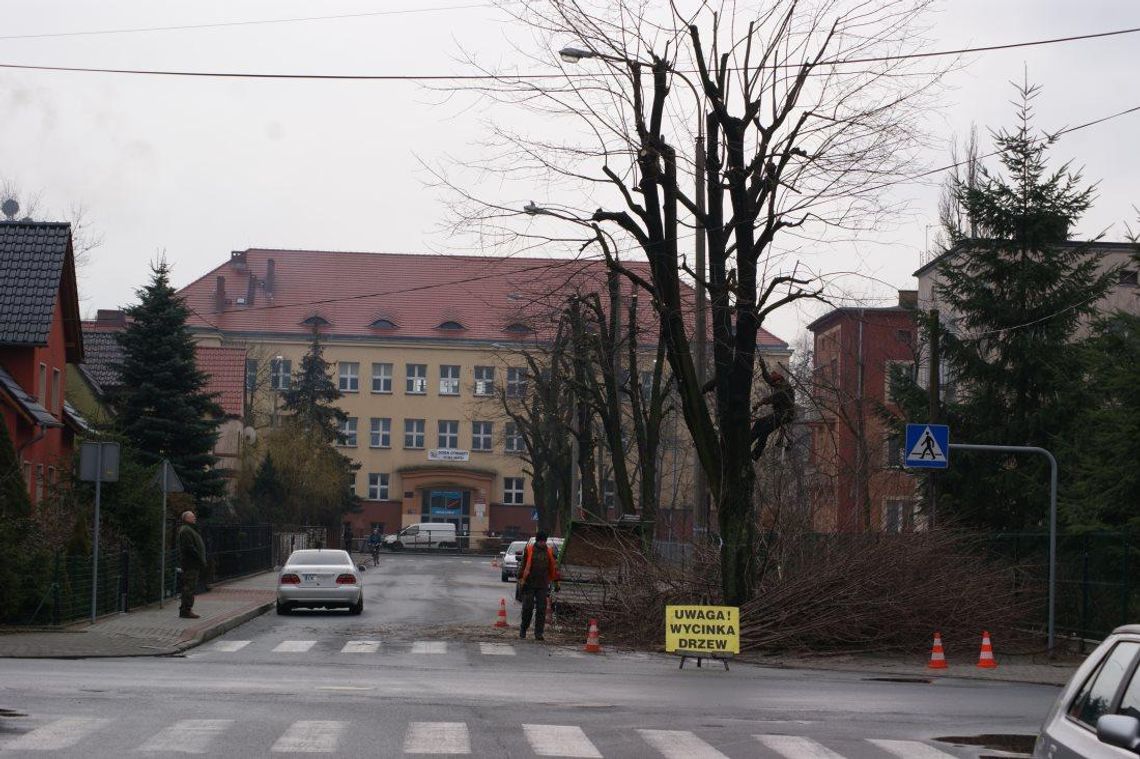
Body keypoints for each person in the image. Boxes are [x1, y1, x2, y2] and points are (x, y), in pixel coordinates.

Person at [518, 531, 560, 641]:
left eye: (544, 541)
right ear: (537, 540)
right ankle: (523, 628)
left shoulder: (549, 551)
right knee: (528, 607)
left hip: (542, 584)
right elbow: (523, 564)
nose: (543, 543)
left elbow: (553, 567)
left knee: (542, 608)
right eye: (541, 541)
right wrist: (520, 578)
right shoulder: (529, 549)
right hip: (529, 583)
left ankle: (539, 633)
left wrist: (556, 581)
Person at [751, 362, 795, 461]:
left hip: (785, 415)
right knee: (759, 423)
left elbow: (773, 397)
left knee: (765, 430)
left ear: (779, 381)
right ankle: (747, 441)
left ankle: (756, 453)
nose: (773, 385)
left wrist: (759, 404)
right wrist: (763, 368)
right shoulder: (778, 384)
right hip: (779, 414)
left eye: (774, 383)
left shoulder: (784, 388)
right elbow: (768, 379)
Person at [177, 510, 207, 619]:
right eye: (192, 517)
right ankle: (186, 610)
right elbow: (189, 547)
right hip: (191, 563)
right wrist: (199, 558)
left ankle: (186, 608)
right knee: (189, 587)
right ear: (186, 519)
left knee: (190, 586)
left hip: (193, 563)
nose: (194, 518)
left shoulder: (190, 529)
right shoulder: (186, 530)